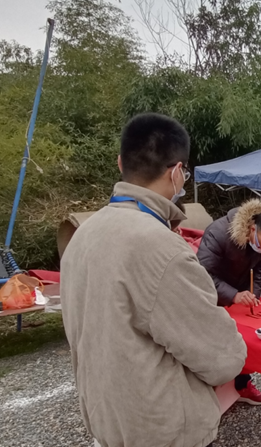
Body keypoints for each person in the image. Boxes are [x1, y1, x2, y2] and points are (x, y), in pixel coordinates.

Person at [61, 113, 247, 447]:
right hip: (160, 429)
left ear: (120, 163)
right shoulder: (161, 248)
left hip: (106, 419)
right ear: (177, 173)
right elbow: (223, 359)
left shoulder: (84, 233)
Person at [197, 199, 261, 405]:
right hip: (210, 296)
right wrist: (233, 295)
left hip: (236, 293)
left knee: (245, 339)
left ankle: (242, 384)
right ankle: (207, 396)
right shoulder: (218, 233)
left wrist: (253, 293)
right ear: (253, 228)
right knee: (213, 344)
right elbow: (202, 275)